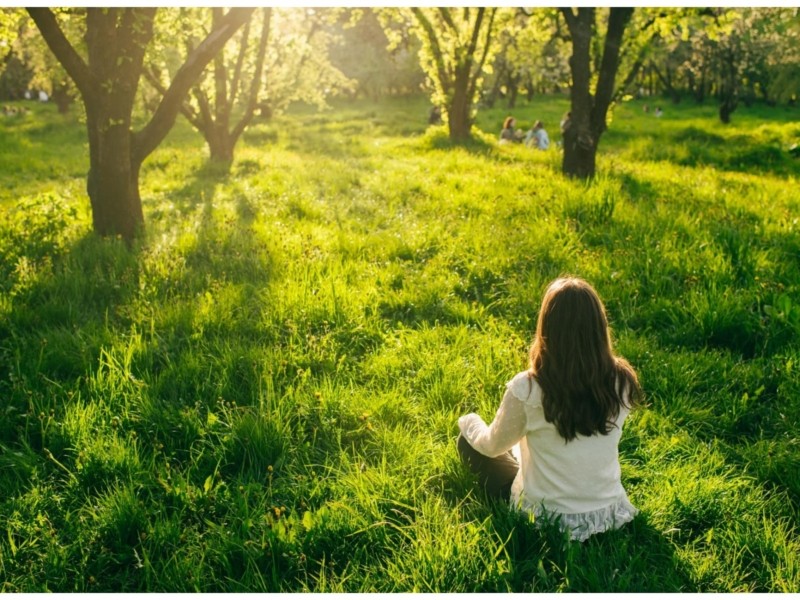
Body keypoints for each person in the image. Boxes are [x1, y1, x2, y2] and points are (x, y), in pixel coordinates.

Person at [457, 277, 642, 542]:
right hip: (606, 509)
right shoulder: (621, 380)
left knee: (468, 444)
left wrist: (470, 422)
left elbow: (491, 446)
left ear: (547, 329)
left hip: (545, 515)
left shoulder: (529, 388)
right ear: (599, 327)